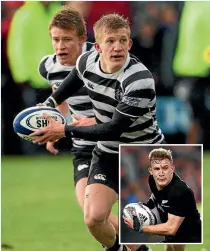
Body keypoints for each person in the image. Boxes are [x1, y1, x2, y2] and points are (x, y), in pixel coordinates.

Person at [31, 13, 165, 251]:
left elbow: (114, 128)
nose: (117, 47)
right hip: (107, 151)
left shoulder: (139, 80)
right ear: (97, 46)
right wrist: (49, 106)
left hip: (141, 152)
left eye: (122, 41)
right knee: (92, 217)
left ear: (129, 43)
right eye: (111, 41)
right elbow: (71, 82)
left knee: (173, 232)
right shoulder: (86, 62)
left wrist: (63, 129)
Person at [38, 6, 124, 250]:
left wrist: (96, 121)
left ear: (83, 39)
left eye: (67, 39)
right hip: (84, 146)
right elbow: (60, 98)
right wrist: (54, 127)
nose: (60, 46)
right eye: (56, 39)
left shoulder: (103, 62)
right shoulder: (48, 67)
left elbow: (125, 110)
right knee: (92, 215)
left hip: (117, 142)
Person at [123, 148, 202, 250]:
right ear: (150, 170)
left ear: (172, 168)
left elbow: (171, 229)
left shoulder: (180, 192)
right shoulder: (152, 180)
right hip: (168, 216)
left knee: (176, 245)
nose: (161, 173)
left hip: (185, 223)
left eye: (165, 168)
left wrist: (140, 227)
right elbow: (155, 199)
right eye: (156, 169)